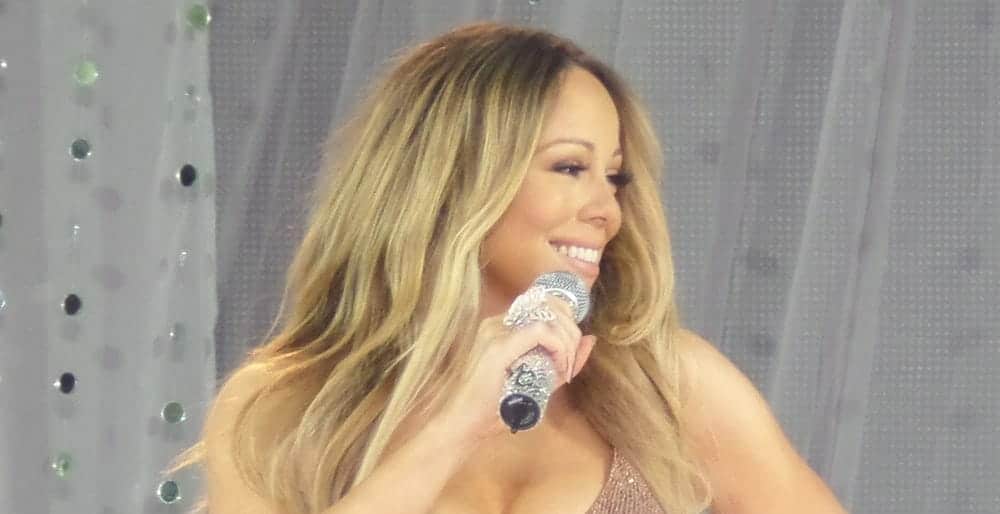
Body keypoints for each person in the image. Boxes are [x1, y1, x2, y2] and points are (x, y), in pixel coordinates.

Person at [165, 20, 848, 514]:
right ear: (455, 178)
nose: (606, 211)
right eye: (570, 167)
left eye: (614, 177)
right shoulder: (282, 408)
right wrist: (458, 423)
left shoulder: (672, 385)